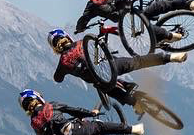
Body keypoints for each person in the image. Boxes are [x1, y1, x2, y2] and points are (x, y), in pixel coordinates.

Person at [47, 27, 185, 92]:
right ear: (67, 37)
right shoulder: (82, 42)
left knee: (105, 89)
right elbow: (101, 47)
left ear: (56, 48)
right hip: (111, 66)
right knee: (138, 62)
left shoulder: (63, 62)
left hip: (101, 80)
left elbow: (57, 78)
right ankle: (171, 57)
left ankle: (134, 101)